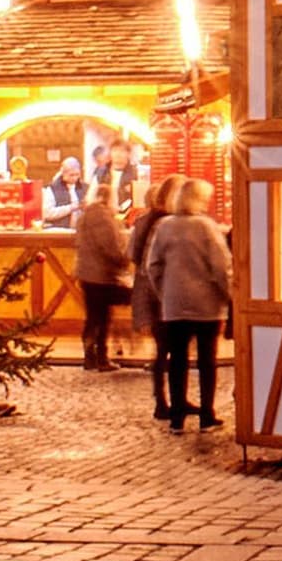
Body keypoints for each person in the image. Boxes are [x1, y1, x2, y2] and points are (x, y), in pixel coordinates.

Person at [144, 177, 233, 431]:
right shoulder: (206, 227)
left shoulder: (164, 226)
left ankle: (177, 417)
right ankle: (207, 415)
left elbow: (153, 265)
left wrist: (165, 291)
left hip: (174, 304)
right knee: (207, 361)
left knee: (177, 360)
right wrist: (228, 294)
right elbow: (220, 267)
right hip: (206, 306)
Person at [72, 177, 135, 367]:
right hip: (100, 275)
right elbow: (110, 248)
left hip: (86, 273)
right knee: (101, 317)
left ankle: (90, 356)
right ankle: (101, 357)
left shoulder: (85, 216)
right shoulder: (103, 218)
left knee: (94, 316)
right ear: (110, 199)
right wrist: (124, 263)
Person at [127, 173, 175, 415]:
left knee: (163, 349)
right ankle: (166, 403)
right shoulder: (163, 224)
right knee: (170, 349)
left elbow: (133, 255)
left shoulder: (142, 222)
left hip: (150, 292)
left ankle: (162, 400)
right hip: (162, 294)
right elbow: (150, 263)